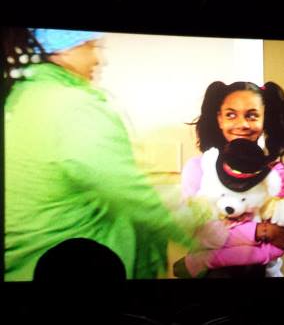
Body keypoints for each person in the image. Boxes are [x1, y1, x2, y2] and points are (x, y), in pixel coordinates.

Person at [3, 27, 214, 280]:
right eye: (91, 46)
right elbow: (134, 195)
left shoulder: (23, 96)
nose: (99, 59)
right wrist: (208, 224)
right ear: (62, 50)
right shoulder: (74, 108)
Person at [180, 79, 284, 277]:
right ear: (219, 119)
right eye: (231, 115)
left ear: (264, 119)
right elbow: (196, 236)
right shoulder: (198, 168)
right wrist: (259, 232)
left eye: (252, 115)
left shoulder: (279, 175)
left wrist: (204, 259)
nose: (242, 124)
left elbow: (279, 243)